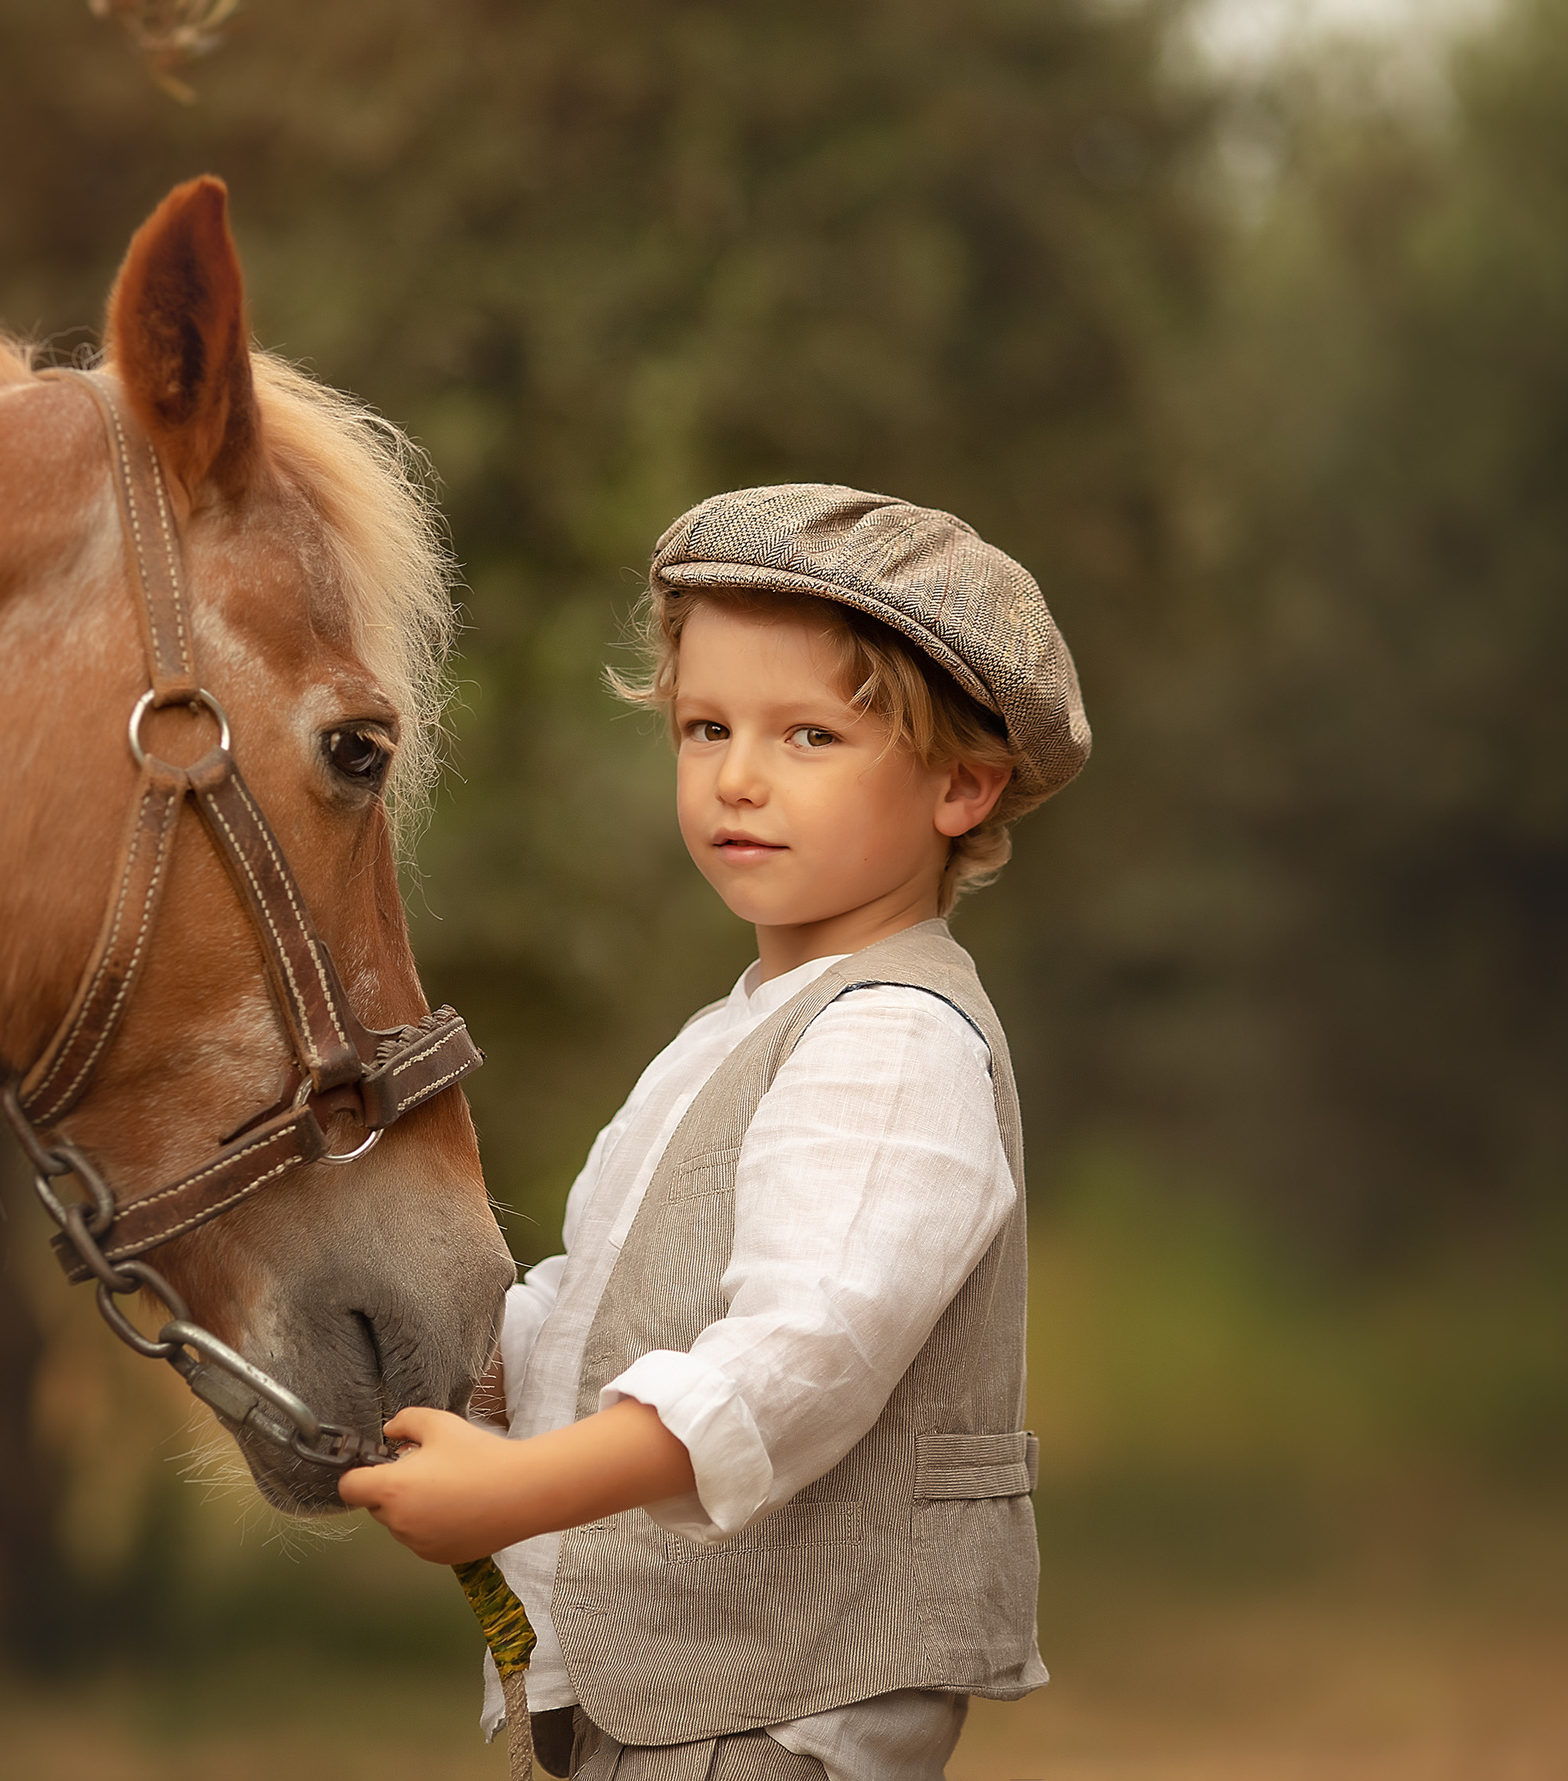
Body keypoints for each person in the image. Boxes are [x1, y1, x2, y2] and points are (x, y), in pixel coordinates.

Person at [338, 485, 1091, 1780]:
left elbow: (797, 1362)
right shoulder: (747, 1025)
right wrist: (436, 1354)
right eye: (705, 726)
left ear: (964, 783)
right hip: (660, 1715)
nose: (737, 776)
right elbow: (604, 1324)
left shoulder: (893, 1042)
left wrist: (517, 1489)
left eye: (808, 734)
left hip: (771, 1721)